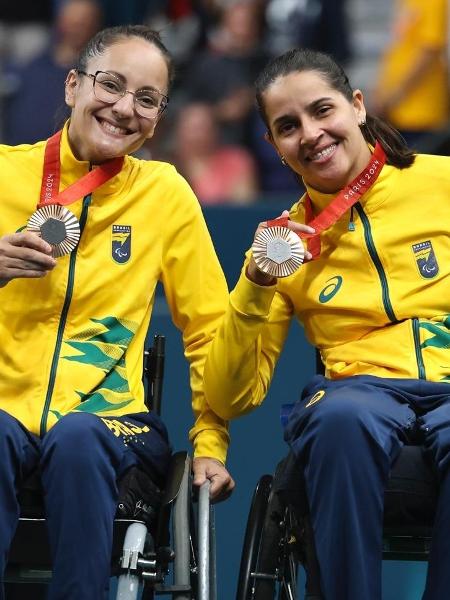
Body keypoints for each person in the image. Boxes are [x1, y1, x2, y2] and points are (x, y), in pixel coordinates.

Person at [203, 47, 450, 600]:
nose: (310, 134)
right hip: (360, 394)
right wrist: (256, 283)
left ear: (357, 106)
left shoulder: (442, 183)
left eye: (322, 111)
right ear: (274, 146)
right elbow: (229, 394)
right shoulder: (282, 241)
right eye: (288, 126)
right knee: (341, 417)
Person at [0, 24, 234, 600]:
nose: (125, 108)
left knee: (80, 437)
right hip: (5, 412)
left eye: (147, 99)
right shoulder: (4, 172)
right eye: (112, 84)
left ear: (159, 117)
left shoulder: (165, 194)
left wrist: (210, 442)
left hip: (111, 421)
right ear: (73, 85)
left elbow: (209, 329)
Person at [371, 0, 449, 149]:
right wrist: (382, 90)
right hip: (399, 112)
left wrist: (395, 94)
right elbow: (399, 47)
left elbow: (431, 50)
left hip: (421, 113)